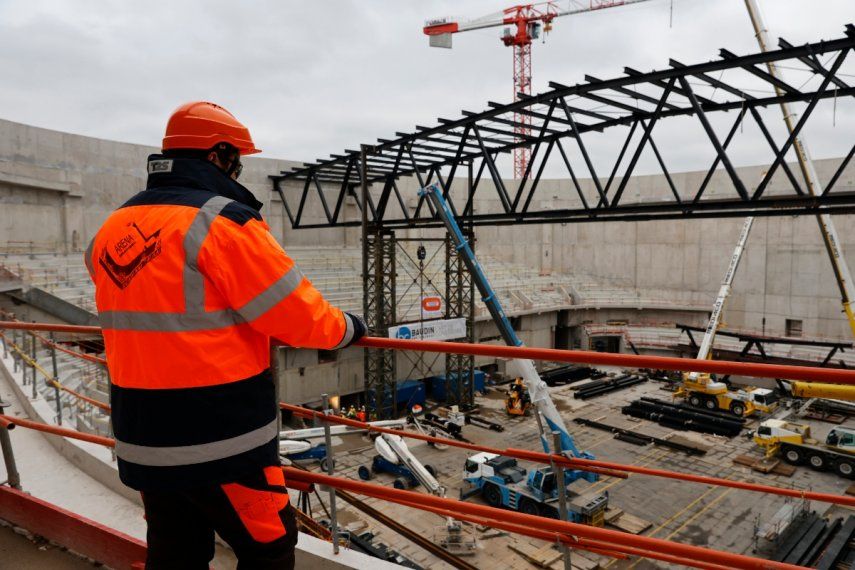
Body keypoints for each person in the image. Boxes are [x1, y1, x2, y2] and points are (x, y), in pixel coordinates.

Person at [85, 101, 365, 569]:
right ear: (218, 154)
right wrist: (350, 328)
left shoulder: (112, 227)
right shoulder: (222, 222)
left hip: (142, 433)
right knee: (269, 551)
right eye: (237, 159)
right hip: (220, 437)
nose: (239, 169)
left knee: (176, 553)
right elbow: (298, 317)